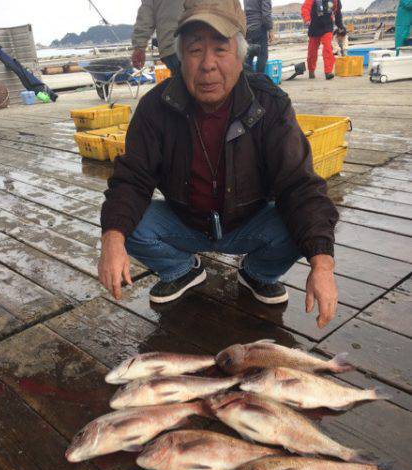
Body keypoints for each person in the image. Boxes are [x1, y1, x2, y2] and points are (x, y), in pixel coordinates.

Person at [99, 0, 339, 329]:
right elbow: (131, 180)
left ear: (241, 57)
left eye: (221, 49)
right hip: (184, 223)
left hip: (250, 222)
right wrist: (112, 240)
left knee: (306, 230)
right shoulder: (155, 107)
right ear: (180, 58)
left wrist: (322, 265)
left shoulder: (270, 103)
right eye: (195, 50)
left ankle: (258, 273)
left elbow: (299, 186)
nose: (207, 65)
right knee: (125, 225)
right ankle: (182, 269)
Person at [131, 0, 184, 74]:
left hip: (172, 46)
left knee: (181, 82)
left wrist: (139, 47)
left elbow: (147, 13)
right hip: (201, 41)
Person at [301, 0, 344, 79]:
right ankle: (311, 71)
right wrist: (307, 19)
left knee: (327, 47)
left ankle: (328, 72)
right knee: (312, 51)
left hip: (327, 27)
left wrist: (340, 26)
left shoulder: (335, 1)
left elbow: (337, 13)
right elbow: (305, 8)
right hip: (314, 26)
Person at [243, 0, 274, 73]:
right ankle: (258, 80)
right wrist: (270, 29)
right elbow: (266, 14)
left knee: (249, 56)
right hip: (259, 28)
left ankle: (248, 80)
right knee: (262, 56)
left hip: (248, 28)